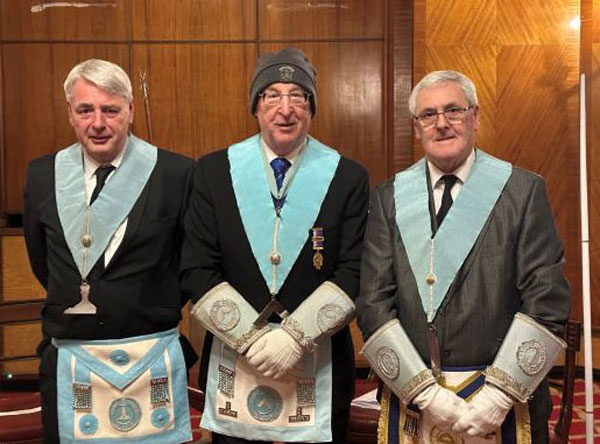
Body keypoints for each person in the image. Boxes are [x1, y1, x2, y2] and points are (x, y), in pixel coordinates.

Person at [356, 70, 570, 443]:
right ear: (417, 127)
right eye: (428, 115)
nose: (441, 124)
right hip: (416, 400)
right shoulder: (389, 196)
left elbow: (546, 297)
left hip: (502, 404)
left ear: (475, 116)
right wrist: (426, 394)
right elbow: (373, 302)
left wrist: (498, 396)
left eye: (453, 111)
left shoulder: (522, 192)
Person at [180, 47, 370, 443]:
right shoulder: (214, 172)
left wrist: (294, 337)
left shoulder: (347, 176)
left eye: (298, 96)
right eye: (272, 95)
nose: (286, 109)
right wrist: (252, 338)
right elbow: (196, 268)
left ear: (311, 107)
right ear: (256, 106)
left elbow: (354, 270)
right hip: (237, 360)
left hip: (318, 366)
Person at [23, 59, 195, 443]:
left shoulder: (176, 173)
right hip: (71, 359)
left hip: (149, 354)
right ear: (70, 113)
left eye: (110, 109)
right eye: (85, 110)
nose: (97, 123)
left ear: (130, 111)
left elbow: (187, 262)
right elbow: (43, 261)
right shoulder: (41, 174)